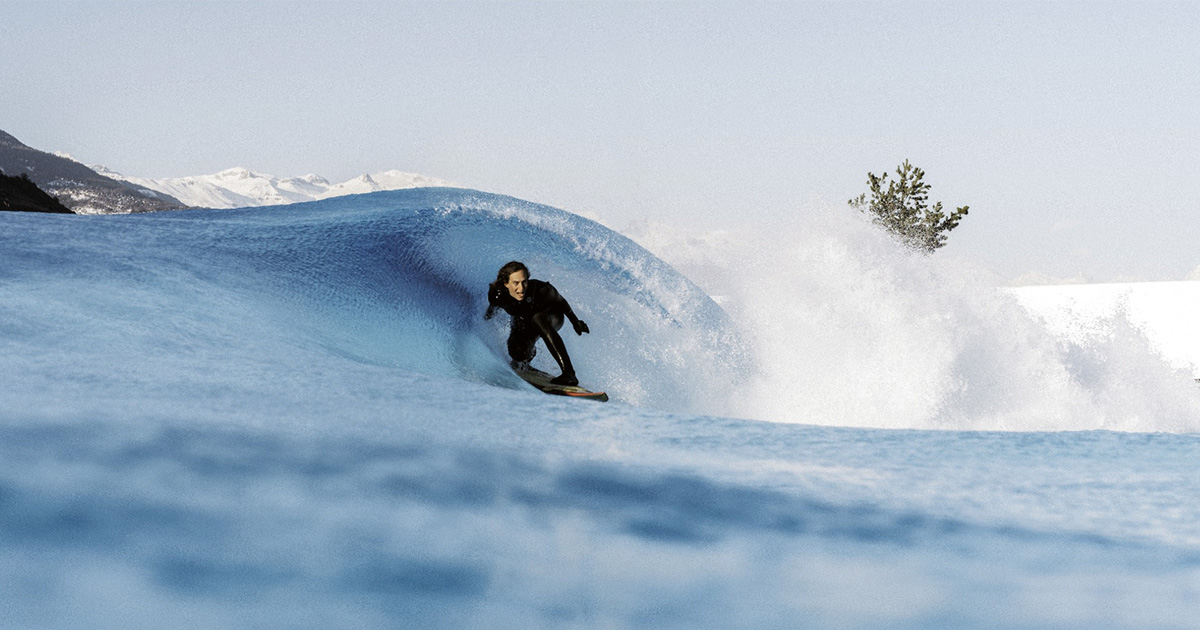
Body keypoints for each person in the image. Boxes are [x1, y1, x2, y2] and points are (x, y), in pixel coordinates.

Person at [485, 260, 590, 386]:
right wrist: (486, 319)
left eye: (524, 282)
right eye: (516, 283)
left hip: (552, 316)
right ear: (506, 283)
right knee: (517, 354)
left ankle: (569, 373)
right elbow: (493, 308)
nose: (521, 288)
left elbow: (561, 302)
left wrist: (575, 322)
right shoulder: (497, 295)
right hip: (525, 318)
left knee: (538, 319)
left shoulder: (540, 289)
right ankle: (525, 361)